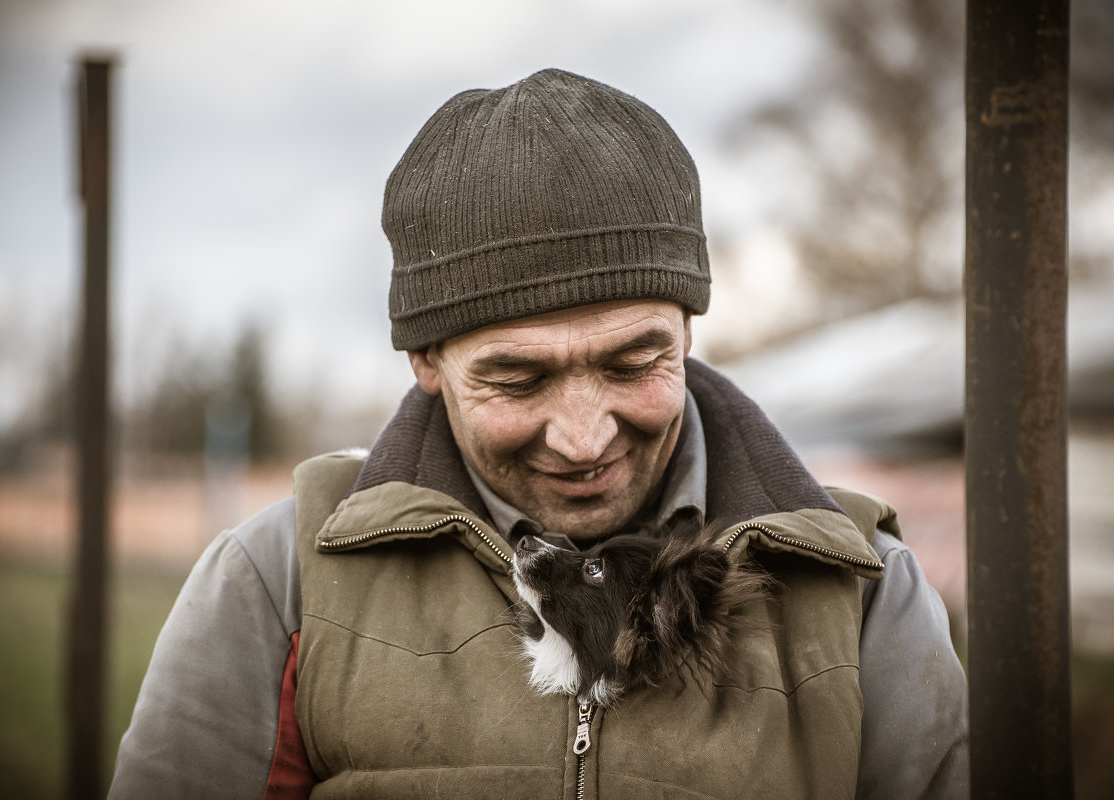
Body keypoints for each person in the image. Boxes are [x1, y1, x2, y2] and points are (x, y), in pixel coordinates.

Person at [109, 68, 968, 799]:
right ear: (425, 360)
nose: (586, 437)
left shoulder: (859, 591)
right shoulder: (280, 584)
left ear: (689, 331)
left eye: (634, 364)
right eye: (518, 380)